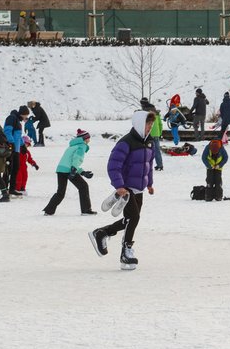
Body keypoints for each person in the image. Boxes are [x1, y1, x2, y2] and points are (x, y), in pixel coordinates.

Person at [88, 110, 156, 270]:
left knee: (129, 219)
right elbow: (113, 165)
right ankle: (126, 252)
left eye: (151, 125)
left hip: (139, 188)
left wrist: (150, 183)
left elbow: (149, 165)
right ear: (140, 124)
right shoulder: (126, 142)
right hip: (127, 188)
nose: (150, 128)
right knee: (135, 218)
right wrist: (119, 186)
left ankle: (101, 233)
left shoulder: (150, 142)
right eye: (148, 124)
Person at [42, 129, 96, 216]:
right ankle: (86, 210)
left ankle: (48, 211)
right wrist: (74, 170)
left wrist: (82, 172)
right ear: (85, 139)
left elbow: (69, 161)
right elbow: (77, 158)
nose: (89, 140)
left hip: (60, 169)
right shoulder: (82, 146)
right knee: (83, 186)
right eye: (88, 138)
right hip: (69, 170)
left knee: (60, 192)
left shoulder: (72, 146)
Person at [3, 106, 30, 195]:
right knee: (8, 170)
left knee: (15, 169)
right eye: (26, 116)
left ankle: (12, 189)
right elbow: (7, 131)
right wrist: (12, 143)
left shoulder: (18, 121)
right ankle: (4, 190)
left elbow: (18, 135)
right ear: (22, 114)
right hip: (10, 149)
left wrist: (22, 146)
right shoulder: (11, 118)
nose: (26, 118)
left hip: (16, 150)